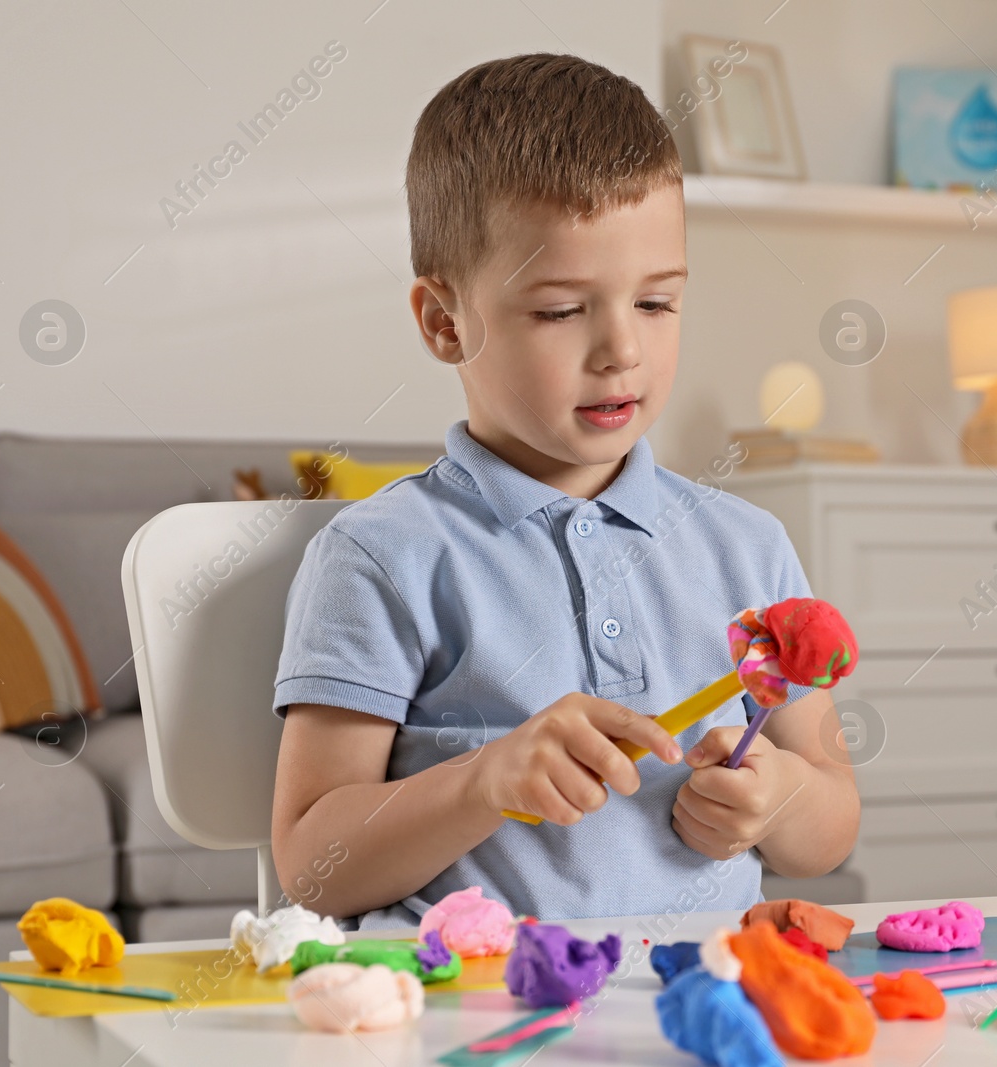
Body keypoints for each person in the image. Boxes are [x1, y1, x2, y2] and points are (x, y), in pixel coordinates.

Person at [270, 53, 858, 930]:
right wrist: (484, 781)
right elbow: (313, 865)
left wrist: (781, 803)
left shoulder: (748, 545)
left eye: (656, 303)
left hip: (704, 1000)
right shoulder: (382, 557)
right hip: (475, 1014)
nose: (621, 348)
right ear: (444, 321)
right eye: (559, 311)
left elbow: (830, 824)